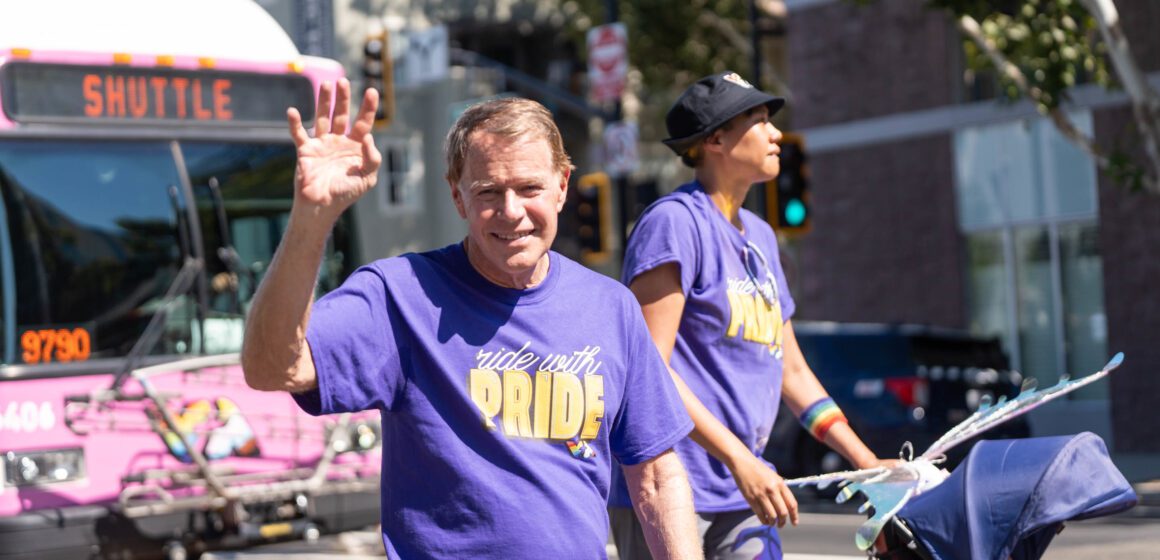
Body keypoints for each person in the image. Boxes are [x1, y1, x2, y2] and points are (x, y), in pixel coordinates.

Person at [241, 80, 701, 559]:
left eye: (529, 188)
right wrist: (312, 217)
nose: (511, 211)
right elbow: (271, 368)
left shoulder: (611, 307)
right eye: (488, 192)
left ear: (563, 186)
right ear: (458, 198)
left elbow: (657, 477)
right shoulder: (398, 294)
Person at [608, 71, 891, 559]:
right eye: (758, 120)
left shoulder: (761, 238)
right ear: (714, 139)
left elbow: (794, 371)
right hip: (673, 480)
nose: (776, 133)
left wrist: (869, 466)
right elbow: (649, 370)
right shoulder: (673, 224)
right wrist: (741, 460)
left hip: (743, 484)